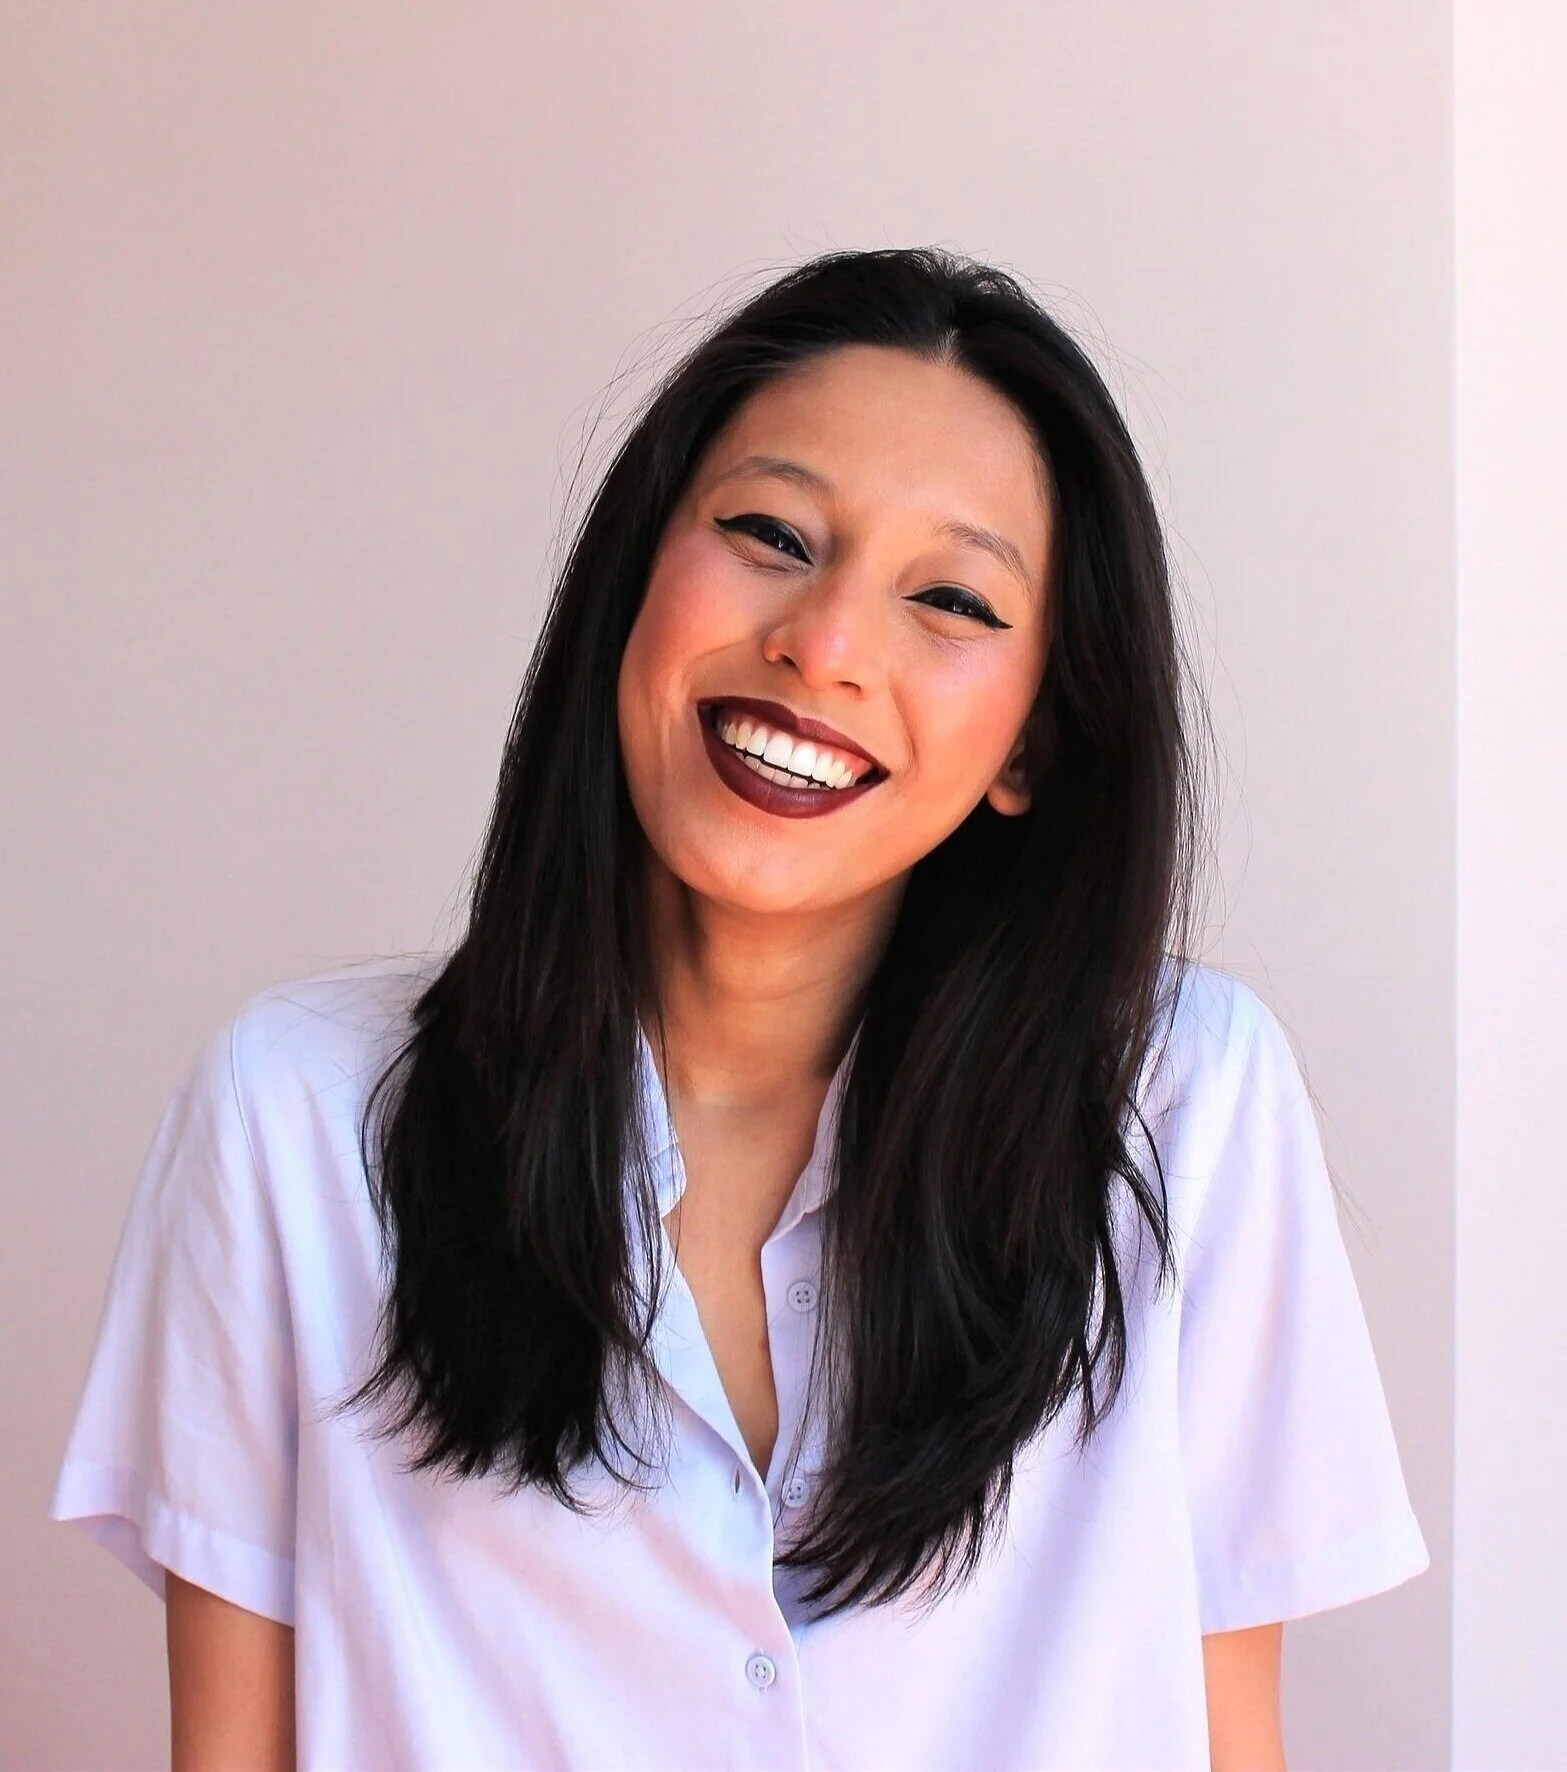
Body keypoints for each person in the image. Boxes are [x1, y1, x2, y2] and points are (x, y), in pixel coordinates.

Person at [51, 248, 1428, 1770]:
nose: (824, 646)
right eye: (772, 534)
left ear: (1032, 744)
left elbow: (1229, 1737)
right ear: (635, 583)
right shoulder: (296, 1120)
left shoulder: (1184, 1108)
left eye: (951, 598)